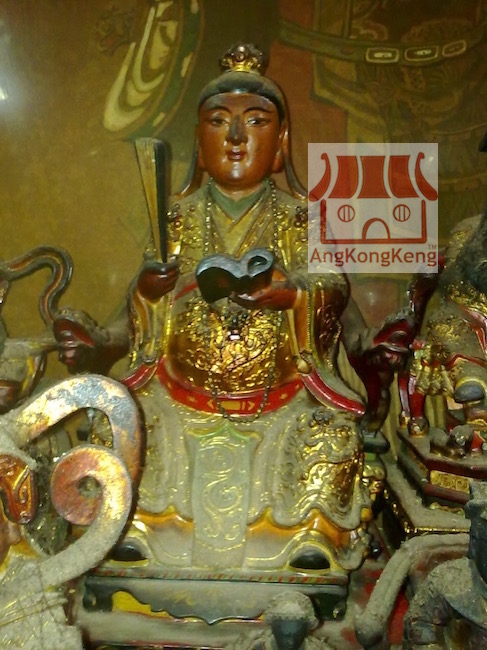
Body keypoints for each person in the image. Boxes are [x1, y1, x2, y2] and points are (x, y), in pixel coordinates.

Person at [54, 43, 371, 572]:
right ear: (199, 144)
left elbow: (332, 287)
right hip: (177, 400)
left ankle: (307, 533)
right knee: (123, 430)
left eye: (256, 122)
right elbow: (132, 315)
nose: (237, 137)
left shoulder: (301, 218)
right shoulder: (174, 219)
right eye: (219, 122)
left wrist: (295, 293)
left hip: (281, 403)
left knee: (331, 439)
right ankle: (137, 528)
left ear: (281, 142)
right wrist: (142, 296)